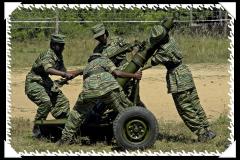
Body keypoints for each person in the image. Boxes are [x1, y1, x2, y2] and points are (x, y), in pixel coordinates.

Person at [148, 18, 216, 142]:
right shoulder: (171, 40)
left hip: (177, 77)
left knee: (184, 108)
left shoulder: (163, 51)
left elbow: (152, 61)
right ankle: (207, 129)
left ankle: (201, 134)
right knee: (195, 103)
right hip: (185, 72)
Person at [56, 53, 142, 145]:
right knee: (127, 109)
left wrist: (64, 77)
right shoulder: (104, 60)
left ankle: (64, 139)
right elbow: (117, 73)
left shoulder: (88, 66)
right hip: (108, 87)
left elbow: (75, 73)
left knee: (76, 114)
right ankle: (135, 133)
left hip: (89, 91)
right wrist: (134, 75)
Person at [25, 34, 83, 138]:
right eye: (60, 45)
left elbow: (64, 71)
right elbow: (48, 69)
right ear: (52, 45)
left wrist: (79, 71)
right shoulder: (48, 54)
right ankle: (37, 127)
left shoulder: (59, 56)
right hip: (34, 82)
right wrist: (64, 75)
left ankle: (64, 128)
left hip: (45, 82)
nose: (62, 48)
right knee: (46, 102)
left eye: (63, 45)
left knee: (63, 103)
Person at [91, 23, 144, 105]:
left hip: (127, 71)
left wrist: (136, 63)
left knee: (134, 97)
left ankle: (142, 115)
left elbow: (132, 48)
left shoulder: (117, 40)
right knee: (119, 99)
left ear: (106, 33)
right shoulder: (97, 50)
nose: (101, 38)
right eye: (98, 37)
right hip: (114, 76)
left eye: (102, 35)